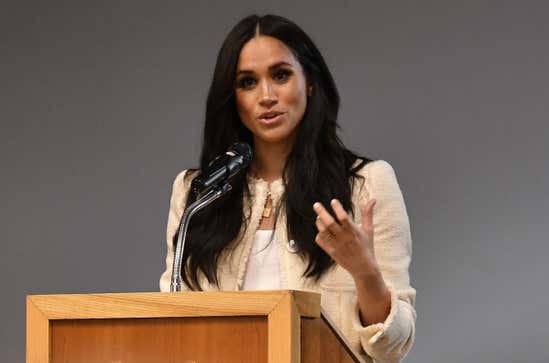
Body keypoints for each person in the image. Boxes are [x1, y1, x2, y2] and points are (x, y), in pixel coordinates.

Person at [159, 14, 415, 363]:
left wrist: (364, 271)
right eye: (247, 82)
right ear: (231, 97)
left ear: (309, 81)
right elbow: (171, 324)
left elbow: (392, 347)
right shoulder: (197, 192)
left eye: (280, 75)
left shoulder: (367, 183)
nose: (266, 96)